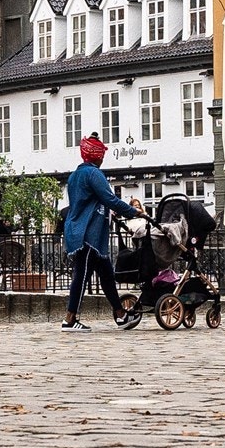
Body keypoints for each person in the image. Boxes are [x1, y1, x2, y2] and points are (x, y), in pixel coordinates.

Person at [62, 134, 144, 332]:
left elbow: (91, 201)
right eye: (101, 155)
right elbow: (109, 199)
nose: (102, 159)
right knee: (81, 275)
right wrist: (133, 212)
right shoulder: (94, 173)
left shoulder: (74, 176)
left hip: (81, 231)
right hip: (88, 233)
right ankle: (70, 319)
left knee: (106, 275)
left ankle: (120, 315)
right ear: (96, 156)